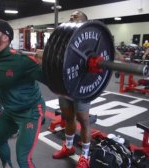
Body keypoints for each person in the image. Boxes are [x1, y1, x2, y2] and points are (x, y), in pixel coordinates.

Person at [0, 19, 45, 168]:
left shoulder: (21, 60)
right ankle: (7, 165)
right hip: (10, 111)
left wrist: (46, 62)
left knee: (23, 159)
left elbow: (55, 82)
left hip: (30, 112)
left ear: (5, 38)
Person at [52, 11, 91, 168]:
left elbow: (107, 53)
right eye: (71, 17)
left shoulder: (89, 39)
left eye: (76, 17)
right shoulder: (65, 37)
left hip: (81, 86)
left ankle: (85, 156)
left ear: (85, 21)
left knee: (84, 120)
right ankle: (68, 147)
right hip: (64, 84)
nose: (71, 19)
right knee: (68, 118)